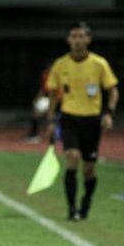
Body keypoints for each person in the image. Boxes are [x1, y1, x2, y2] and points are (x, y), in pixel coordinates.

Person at [45, 22, 119, 221]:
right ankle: (71, 208)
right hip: (69, 118)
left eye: (81, 36)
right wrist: (51, 121)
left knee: (89, 170)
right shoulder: (60, 65)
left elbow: (112, 90)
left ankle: (86, 200)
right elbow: (53, 94)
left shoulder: (99, 64)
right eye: (74, 36)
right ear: (68, 40)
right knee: (72, 158)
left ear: (88, 39)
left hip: (92, 121)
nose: (77, 40)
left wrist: (109, 113)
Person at [23, 64, 53, 143]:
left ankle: (34, 135)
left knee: (36, 114)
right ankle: (34, 135)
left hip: (54, 99)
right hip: (50, 98)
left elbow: (49, 91)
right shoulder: (47, 75)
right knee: (35, 113)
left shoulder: (52, 76)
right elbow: (43, 89)